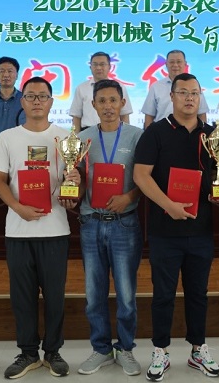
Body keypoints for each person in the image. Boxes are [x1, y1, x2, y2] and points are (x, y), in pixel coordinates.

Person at [0, 77, 81, 379]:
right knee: (22, 297)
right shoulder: (7, 138)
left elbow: (72, 185)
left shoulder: (66, 138)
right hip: (18, 231)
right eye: (31, 96)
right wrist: (17, 207)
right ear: (22, 101)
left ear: (52, 102)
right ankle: (28, 352)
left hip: (55, 230)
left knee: (55, 296)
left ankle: (53, 351)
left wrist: (73, 189)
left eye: (43, 96)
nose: (37, 101)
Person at [133, 72, 219, 381]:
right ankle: (161, 351)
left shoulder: (213, 135)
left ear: (200, 97)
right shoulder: (155, 132)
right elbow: (141, 175)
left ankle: (198, 350)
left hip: (201, 230)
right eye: (183, 92)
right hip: (164, 231)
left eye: (194, 93)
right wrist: (167, 204)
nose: (189, 98)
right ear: (171, 96)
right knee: (163, 295)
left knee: (198, 293)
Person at [76, 79, 144, 376]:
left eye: (113, 100)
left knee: (126, 295)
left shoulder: (137, 136)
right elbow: (77, 179)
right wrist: (72, 190)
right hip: (90, 223)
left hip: (124, 224)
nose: (107, 106)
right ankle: (101, 349)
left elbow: (146, 179)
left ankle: (125, 348)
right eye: (101, 101)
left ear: (122, 103)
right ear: (93, 105)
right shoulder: (82, 138)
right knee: (94, 294)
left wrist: (129, 197)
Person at [140, 49, 209, 128]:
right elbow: (149, 116)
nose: (175, 65)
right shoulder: (156, 87)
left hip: (190, 131)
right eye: (172, 62)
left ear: (185, 64)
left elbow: (201, 114)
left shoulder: (195, 86)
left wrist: (203, 133)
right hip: (162, 132)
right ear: (166, 64)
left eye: (179, 62)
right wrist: (149, 134)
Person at [69, 52, 133, 131]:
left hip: (114, 132)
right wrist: (76, 136)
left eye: (102, 64)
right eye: (95, 64)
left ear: (109, 67)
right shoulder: (81, 88)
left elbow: (124, 115)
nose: (98, 68)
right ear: (90, 67)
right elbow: (76, 116)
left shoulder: (120, 87)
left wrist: (125, 134)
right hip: (88, 132)